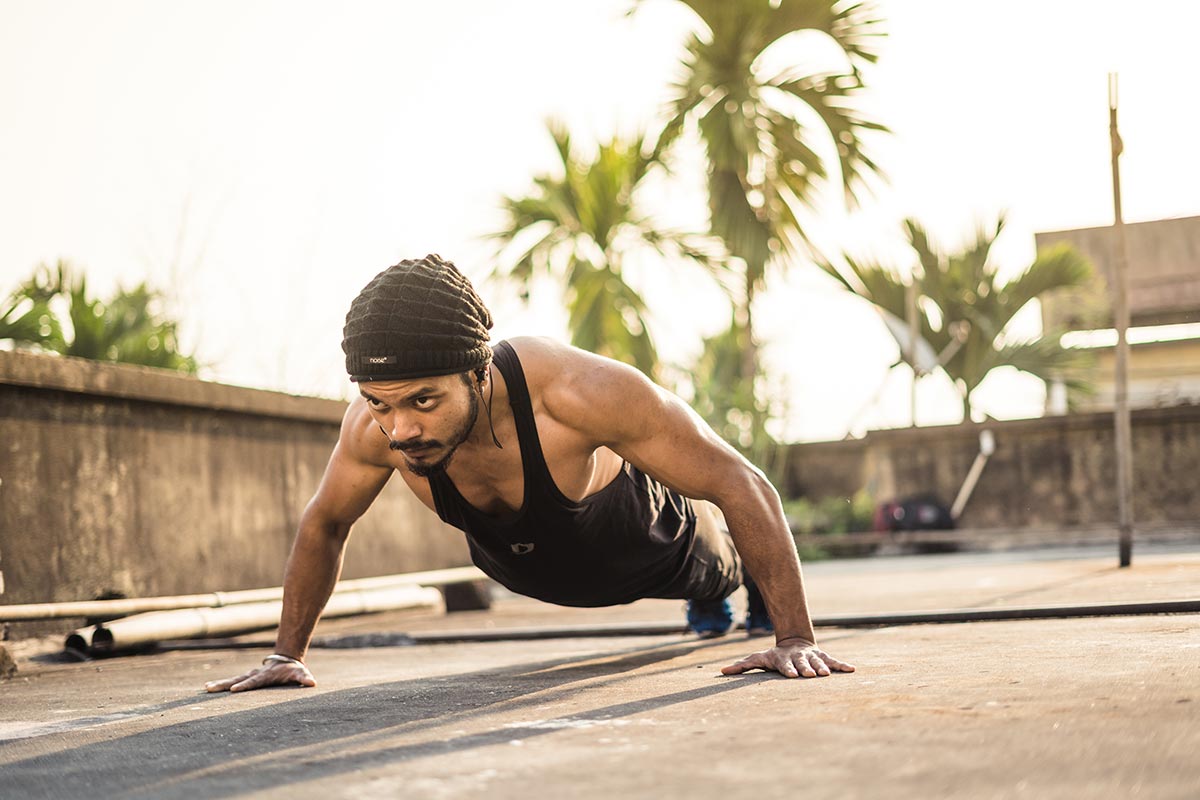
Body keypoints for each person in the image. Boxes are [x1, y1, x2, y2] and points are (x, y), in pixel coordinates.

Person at [205, 254, 853, 693]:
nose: (400, 430)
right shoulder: (372, 428)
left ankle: (724, 592)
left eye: (423, 401)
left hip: (645, 545)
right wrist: (285, 655)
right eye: (381, 402)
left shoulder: (577, 392)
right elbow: (325, 522)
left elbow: (741, 481)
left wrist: (793, 636)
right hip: (526, 567)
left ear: (478, 372)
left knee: (717, 556)